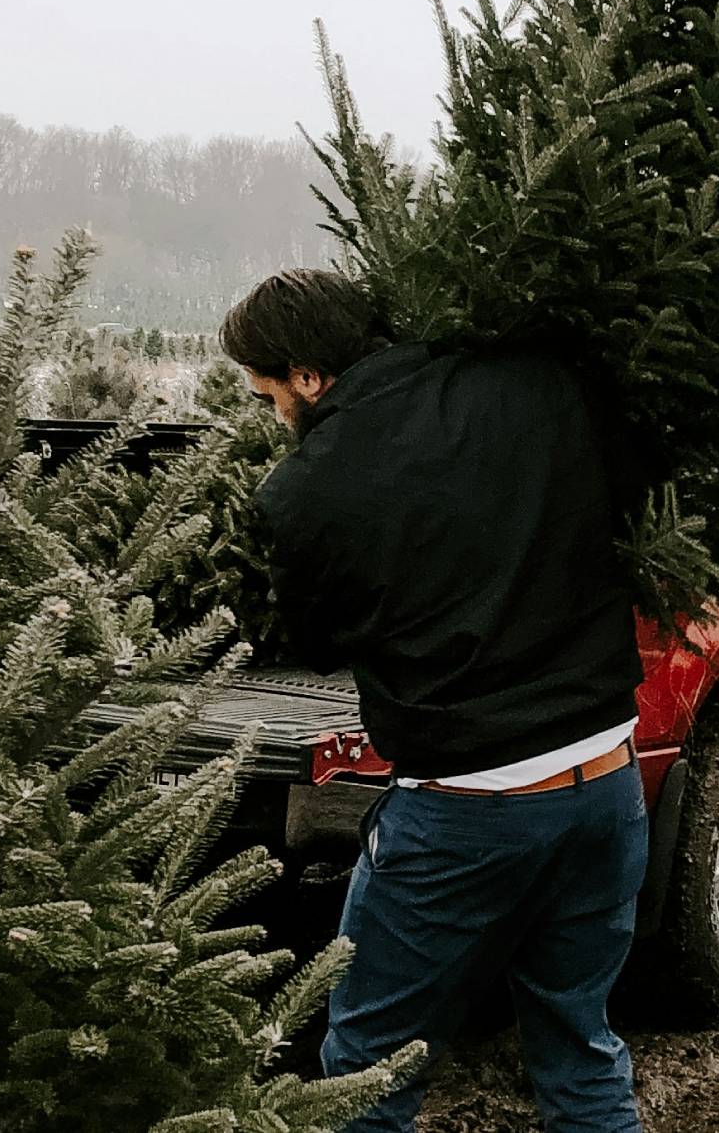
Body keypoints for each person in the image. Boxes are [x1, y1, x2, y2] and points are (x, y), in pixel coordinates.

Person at [222, 268, 649, 1133]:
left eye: (271, 395)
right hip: (608, 782)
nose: (275, 418)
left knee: (368, 1068)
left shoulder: (305, 491)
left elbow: (316, 642)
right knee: (581, 1048)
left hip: (465, 811)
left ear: (308, 377)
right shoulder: (537, 381)